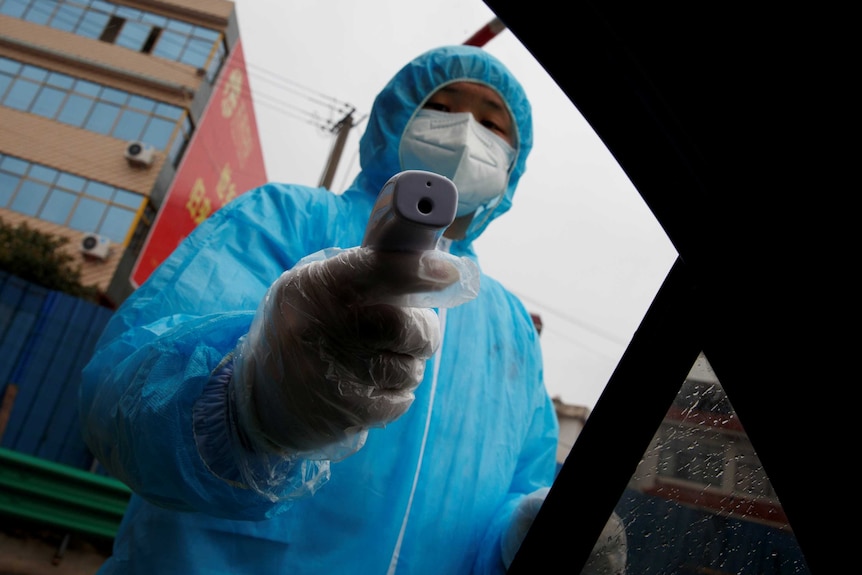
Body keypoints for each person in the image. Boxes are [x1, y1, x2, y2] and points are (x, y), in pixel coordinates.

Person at [80, 44, 589, 574]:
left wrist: (525, 534)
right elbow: (120, 395)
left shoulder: (509, 328)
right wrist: (257, 402)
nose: (465, 129)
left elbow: (516, 489)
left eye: (492, 123)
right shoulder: (282, 219)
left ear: (514, 161)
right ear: (397, 117)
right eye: (443, 105)